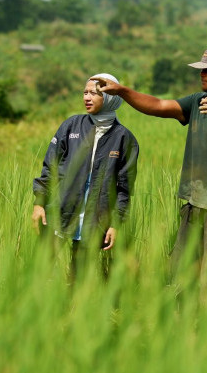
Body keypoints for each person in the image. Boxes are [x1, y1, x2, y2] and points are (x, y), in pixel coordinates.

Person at [93, 44, 207, 288]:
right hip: (192, 206)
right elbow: (159, 106)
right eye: (201, 70)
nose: (203, 74)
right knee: (182, 280)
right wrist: (122, 91)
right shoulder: (198, 101)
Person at [32, 73, 139, 280]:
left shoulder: (124, 138)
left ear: (110, 98)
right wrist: (39, 203)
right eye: (85, 92)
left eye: (94, 93)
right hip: (59, 211)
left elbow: (124, 189)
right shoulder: (71, 126)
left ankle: (74, 310)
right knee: (40, 269)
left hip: (94, 218)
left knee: (79, 277)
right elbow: (50, 167)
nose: (87, 98)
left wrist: (116, 223)